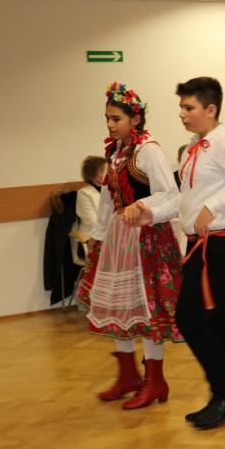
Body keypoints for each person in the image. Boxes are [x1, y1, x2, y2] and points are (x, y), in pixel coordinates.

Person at [131, 76, 225, 429]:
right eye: (181, 106)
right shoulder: (195, 146)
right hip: (203, 243)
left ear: (210, 109)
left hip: (219, 243)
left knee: (190, 318)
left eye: (188, 107)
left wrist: (215, 205)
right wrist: (152, 213)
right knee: (214, 318)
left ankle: (224, 394)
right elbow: (184, 198)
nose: (182, 113)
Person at [76, 82, 183, 410]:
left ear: (135, 120)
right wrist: (98, 238)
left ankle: (155, 379)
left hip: (146, 238)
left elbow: (171, 196)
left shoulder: (149, 151)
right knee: (118, 307)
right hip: (118, 239)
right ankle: (128, 375)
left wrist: (143, 207)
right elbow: (109, 201)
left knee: (147, 309)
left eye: (116, 118)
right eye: (107, 118)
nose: (110, 124)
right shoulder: (116, 152)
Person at [74, 155, 107, 240]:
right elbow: (92, 222)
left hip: (110, 236)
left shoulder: (110, 189)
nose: (107, 173)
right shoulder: (84, 193)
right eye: (103, 171)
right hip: (91, 238)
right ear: (92, 175)